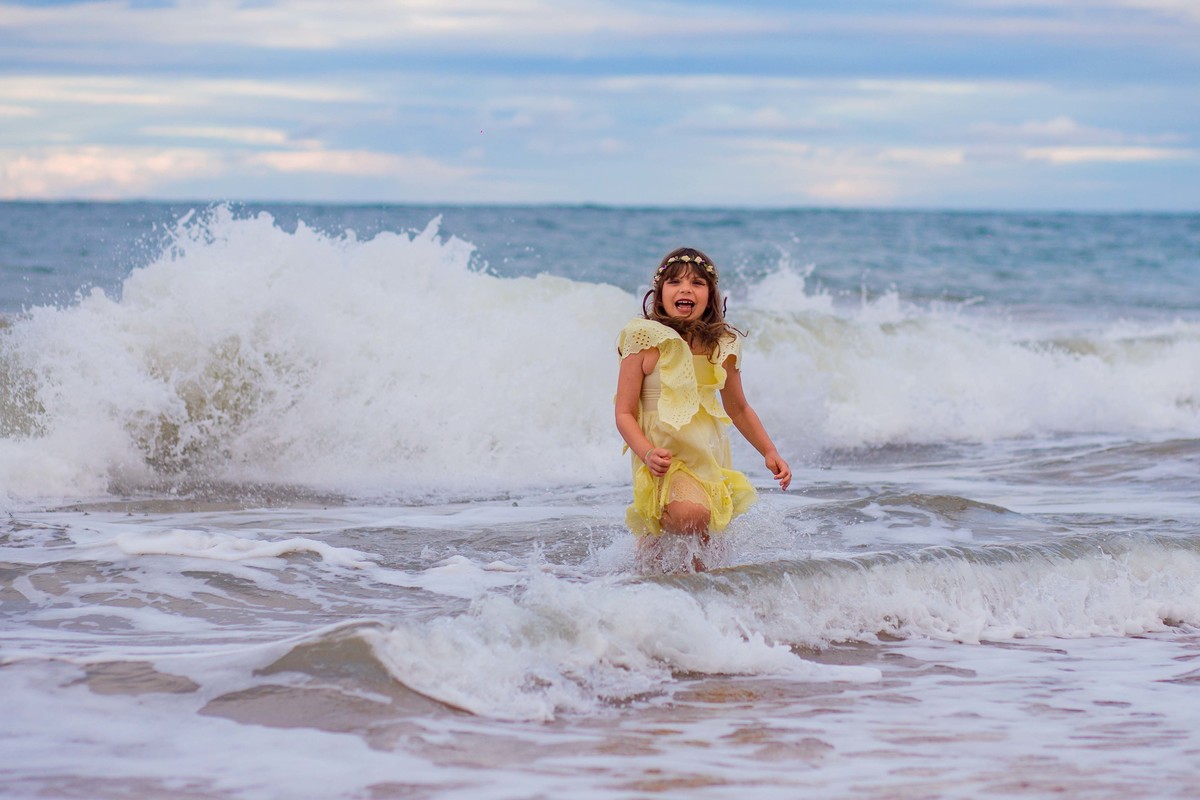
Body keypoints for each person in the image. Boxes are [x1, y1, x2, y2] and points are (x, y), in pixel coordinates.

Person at [615, 246, 791, 572]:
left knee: (706, 555)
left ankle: (678, 585)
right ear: (660, 292)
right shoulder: (643, 339)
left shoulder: (720, 345)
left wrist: (769, 451)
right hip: (662, 456)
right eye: (675, 282)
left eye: (697, 283)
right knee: (692, 515)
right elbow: (623, 412)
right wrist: (646, 451)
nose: (685, 289)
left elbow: (739, 408)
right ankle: (651, 539)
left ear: (710, 295)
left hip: (707, 455)